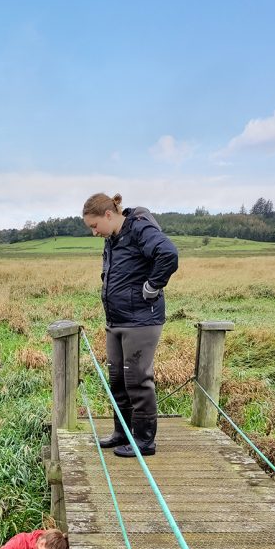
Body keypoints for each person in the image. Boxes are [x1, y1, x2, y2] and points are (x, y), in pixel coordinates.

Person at [81, 193, 179, 457]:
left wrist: (153, 285)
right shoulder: (113, 238)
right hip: (117, 319)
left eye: (94, 225)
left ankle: (145, 441)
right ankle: (122, 433)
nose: (94, 232)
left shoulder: (139, 227)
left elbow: (168, 253)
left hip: (142, 320)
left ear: (109, 215)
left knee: (137, 380)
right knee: (118, 380)